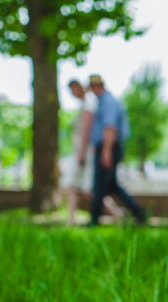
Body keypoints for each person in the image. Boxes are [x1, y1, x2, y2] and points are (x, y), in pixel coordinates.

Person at [86, 74, 147, 227]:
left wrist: (106, 151)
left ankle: (94, 219)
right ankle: (138, 212)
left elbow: (110, 128)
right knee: (110, 185)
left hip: (109, 147)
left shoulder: (108, 102)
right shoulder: (103, 102)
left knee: (100, 185)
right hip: (107, 147)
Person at [63, 79, 122, 226]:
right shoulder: (87, 104)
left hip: (84, 152)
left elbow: (86, 131)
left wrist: (80, 153)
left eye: (74, 89)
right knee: (75, 187)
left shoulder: (89, 105)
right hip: (82, 151)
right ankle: (71, 220)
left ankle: (119, 215)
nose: (72, 93)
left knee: (87, 190)